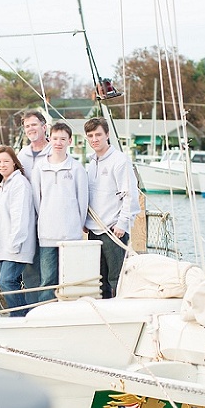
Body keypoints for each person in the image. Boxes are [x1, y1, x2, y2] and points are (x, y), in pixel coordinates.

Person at [30, 122, 89, 302]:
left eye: (63, 139)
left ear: (69, 141)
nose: (58, 142)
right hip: (47, 233)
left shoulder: (77, 168)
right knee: (47, 280)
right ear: (49, 139)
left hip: (71, 234)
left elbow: (82, 201)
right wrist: (45, 217)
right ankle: (45, 311)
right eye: (55, 138)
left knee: (71, 279)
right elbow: (37, 200)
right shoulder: (40, 167)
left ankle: (70, 312)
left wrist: (77, 225)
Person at [83, 117, 140, 299]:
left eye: (98, 134)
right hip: (94, 230)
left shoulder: (120, 160)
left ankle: (121, 310)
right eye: (90, 136)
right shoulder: (92, 163)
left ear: (107, 135)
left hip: (114, 231)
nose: (94, 139)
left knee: (117, 279)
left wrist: (122, 224)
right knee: (99, 281)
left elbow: (130, 194)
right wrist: (85, 220)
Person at [0, 146, 36, 316]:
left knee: (6, 281)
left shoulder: (19, 183)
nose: (2, 165)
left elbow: (20, 216)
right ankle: (19, 315)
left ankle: (21, 316)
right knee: (7, 282)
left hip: (16, 246)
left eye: (6, 161)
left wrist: (14, 244)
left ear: (14, 163)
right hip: (3, 247)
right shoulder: (1, 186)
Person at [16, 110, 50, 306]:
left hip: (50, 219)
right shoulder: (22, 155)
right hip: (29, 220)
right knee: (30, 270)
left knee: (50, 270)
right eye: (27, 126)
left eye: (34, 125)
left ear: (44, 127)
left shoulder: (55, 151)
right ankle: (32, 309)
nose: (31, 129)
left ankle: (49, 310)